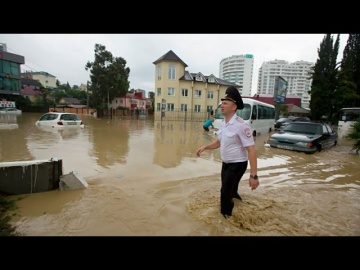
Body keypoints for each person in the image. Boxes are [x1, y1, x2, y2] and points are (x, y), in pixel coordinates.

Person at [196, 86, 259, 219]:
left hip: (238, 164)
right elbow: (219, 142)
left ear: (234, 107)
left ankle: (226, 220)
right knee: (231, 190)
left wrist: (254, 176)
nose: (221, 106)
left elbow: (251, 149)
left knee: (224, 193)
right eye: (222, 103)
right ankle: (238, 205)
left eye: (225, 103)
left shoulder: (242, 125)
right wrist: (205, 147)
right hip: (226, 164)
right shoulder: (224, 124)